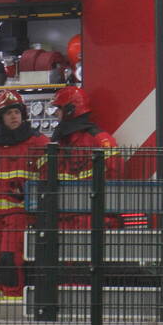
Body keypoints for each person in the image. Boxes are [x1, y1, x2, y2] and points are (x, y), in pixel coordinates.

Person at [0, 90, 50, 301]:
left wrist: (27, 195)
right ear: (0, 118)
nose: (14, 117)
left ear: (23, 114)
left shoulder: (38, 144)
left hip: (18, 214)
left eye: (16, 112)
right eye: (8, 113)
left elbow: (48, 179)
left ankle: (13, 306)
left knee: (9, 258)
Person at [50, 86, 124, 228]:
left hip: (93, 219)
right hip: (67, 220)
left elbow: (115, 176)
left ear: (69, 110)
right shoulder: (60, 143)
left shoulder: (99, 140)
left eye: (58, 110)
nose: (56, 115)